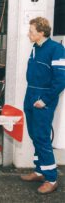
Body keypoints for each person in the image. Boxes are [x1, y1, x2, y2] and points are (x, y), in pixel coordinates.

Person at [20, 17, 65, 194]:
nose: (28, 34)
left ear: (41, 32)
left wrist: (45, 99)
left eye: (31, 31)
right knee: (34, 135)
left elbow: (61, 80)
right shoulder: (36, 47)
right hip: (30, 94)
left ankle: (51, 178)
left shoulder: (56, 49)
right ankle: (40, 170)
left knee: (42, 137)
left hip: (42, 97)